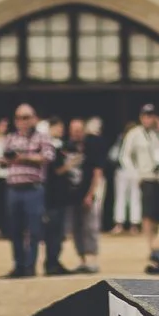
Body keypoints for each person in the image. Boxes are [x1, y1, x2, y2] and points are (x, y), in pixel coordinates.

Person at [0, 105, 55, 279]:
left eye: (26, 117)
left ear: (34, 118)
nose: (22, 122)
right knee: (14, 230)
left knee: (33, 230)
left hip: (33, 189)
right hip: (14, 188)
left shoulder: (42, 138)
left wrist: (23, 157)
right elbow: (4, 159)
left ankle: (30, 266)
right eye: (19, 118)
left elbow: (48, 157)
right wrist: (6, 160)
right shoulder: (11, 138)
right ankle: (18, 265)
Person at [42, 119, 99, 279]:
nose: (76, 133)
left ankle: (91, 260)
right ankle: (66, 261)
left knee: (89, 228)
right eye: (73, 130)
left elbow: (97, 172)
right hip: (66, 198)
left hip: (85, 195)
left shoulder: (91, 147)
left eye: (79, 130)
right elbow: (56, 171)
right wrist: (69, 165)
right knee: (69, 230)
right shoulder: (59, 148)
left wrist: (90, 194)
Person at [117, 107, 159, 234]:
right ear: (141, 118)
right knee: (148, 213)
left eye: (151, 116)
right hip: (146, 176)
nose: (148, 119)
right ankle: (150, 244)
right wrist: (135, 174)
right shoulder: (134, 134)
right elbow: (124, 156)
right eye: (146, 116)